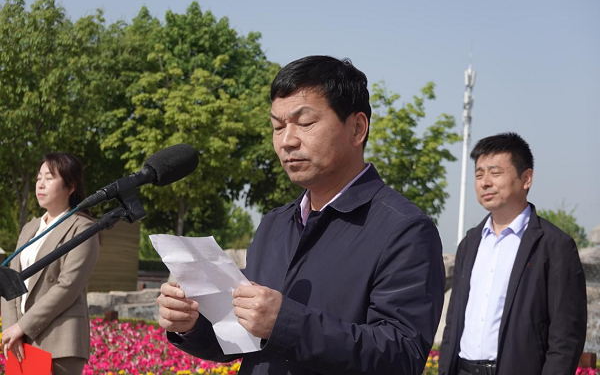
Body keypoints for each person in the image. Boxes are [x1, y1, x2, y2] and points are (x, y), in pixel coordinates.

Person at [157, 55, 446, 374]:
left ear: (357, 128)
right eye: (277, 127)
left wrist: (285, 324)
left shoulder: (405, 229)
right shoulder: (274, 224)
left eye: (305, 123)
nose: (287, 141)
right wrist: (191, 324)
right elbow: (243, 337)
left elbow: (402, 355)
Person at [439, 133, 587, 375]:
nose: (485, 182)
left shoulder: (554, 245)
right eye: (479, 174)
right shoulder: (470, 243)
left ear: (526, 178)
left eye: (495, 173)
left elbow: (566, 335)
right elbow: (453, 323)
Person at [1, 153, 100, 375]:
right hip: (19, 341)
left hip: (58, 342)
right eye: (39, 178)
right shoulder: (30, 228)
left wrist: (22, 326)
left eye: (49, 178)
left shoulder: (83, 228)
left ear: (70, 186)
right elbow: (10, 281)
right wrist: (11, 329)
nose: (41, 184)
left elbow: (68, 286)